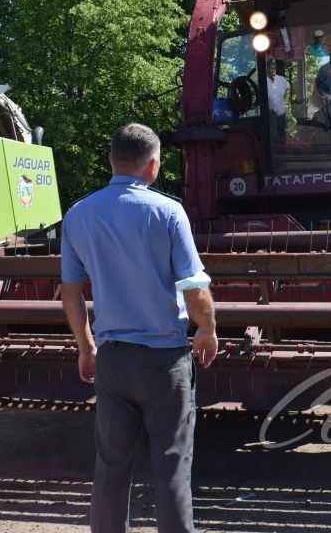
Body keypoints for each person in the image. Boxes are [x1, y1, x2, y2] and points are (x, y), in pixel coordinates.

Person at [61, 123, 218, 533]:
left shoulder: (79, 214)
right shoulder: (168, 212)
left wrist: (85, 346)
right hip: (165, 361)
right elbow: (194, 286)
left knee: (111, 469)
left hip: (112, 361)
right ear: (153, 165)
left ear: (113, 160)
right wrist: (207, 329)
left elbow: (71, 293)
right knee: (171, 467)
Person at [266, 60, 290, 143]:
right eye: (271, 68)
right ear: (267, 69)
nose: (273, 71)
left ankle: (283, 153)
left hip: (282, 113)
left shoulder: (282, 79)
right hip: (270, 114)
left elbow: (288, 88)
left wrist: (286, 100)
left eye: (274, 68)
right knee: (275, 138)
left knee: (283, 137)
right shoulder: (263, 81)